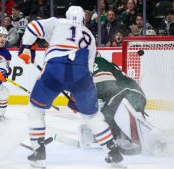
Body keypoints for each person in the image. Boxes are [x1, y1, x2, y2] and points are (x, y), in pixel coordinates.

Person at [18, 6, 124, 168]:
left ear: (67, 15)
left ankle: (38, 150)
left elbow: (32, 27)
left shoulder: (57, 22)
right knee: (91, 117)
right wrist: (77, 96)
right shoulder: (90, 36)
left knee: (35, 110)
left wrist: (25, 47)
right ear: (83, 19)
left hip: (55, 67)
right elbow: (89, 70)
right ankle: (113, 152)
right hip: (81, 74)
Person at [68, 53, 167, 155]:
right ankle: (142, 138)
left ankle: (154, 141)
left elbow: (106, 85)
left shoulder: (96, 61)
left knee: (106, 115)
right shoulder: (88, 70)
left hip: (127, 92)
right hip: (130, 94)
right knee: (122, 117)